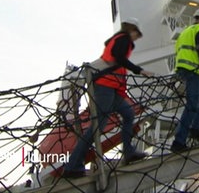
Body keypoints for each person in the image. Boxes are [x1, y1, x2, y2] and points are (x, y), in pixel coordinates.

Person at [62, 17, 154, 178]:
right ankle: (73, 165)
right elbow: (119, 57)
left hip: (111, 88)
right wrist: (139, 70)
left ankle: (129, 151)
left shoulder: (118, 40)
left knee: (129, 114)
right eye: (137, 35)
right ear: (133, 30)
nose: (137, 39)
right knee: (97, 126)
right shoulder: (124, 39)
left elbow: (116, 60)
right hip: (105, 86)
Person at [170, 8, 199, 152]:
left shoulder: (184, 32)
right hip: (193, 71)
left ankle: (195, 127)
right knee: (192, 105)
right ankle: (179, 141)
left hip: (184, 69)